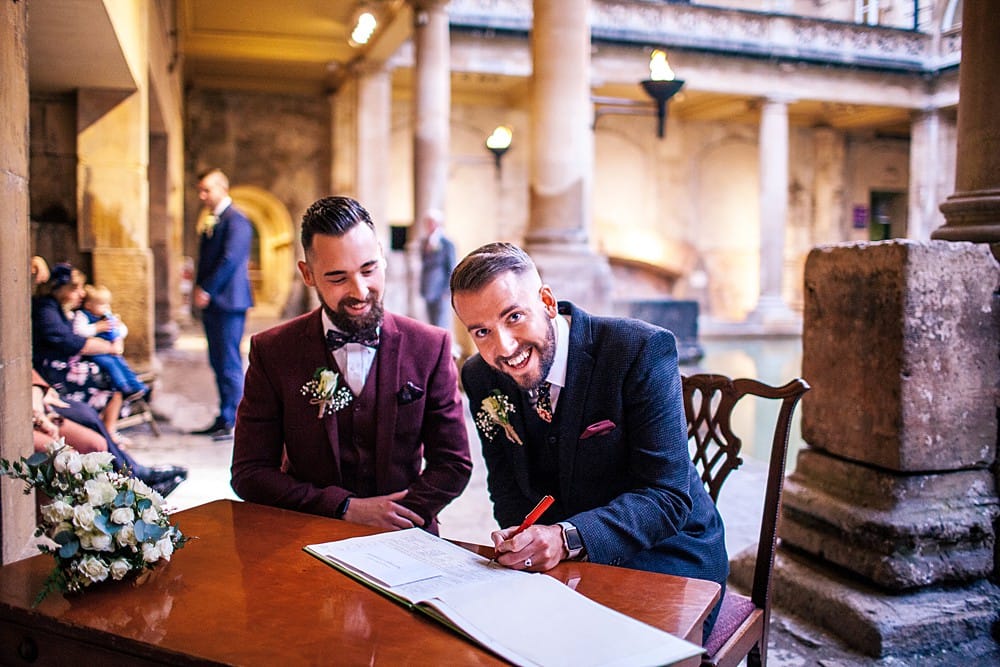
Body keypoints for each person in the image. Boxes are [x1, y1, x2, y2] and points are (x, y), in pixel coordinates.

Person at [450, 242, 728, 638]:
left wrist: (566, 538)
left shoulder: (638, 349)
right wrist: (521, 539)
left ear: (547, 301)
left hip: (667, 555)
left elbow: (667, 497)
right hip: (566, 569)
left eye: (514, 317)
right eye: (482, 332)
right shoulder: (480, 376)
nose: (504, 348)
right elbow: (506, 485)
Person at [230, 196, 472, 534]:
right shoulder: (272, 351)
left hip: (408, 537)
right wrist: (343, 509)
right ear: (308, 274)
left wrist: (398, 515)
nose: (360, 291)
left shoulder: (431, 346)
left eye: (369, 270)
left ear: (383, 260)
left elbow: (453, 464)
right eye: (337, 278)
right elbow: (250, 472)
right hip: (306, 538)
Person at [31, 370, 187, 498]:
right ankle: (129, 484)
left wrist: (38, 400)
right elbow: (67, 340)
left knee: (97, 442)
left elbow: (33, 379)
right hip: (54, 382)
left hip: (41, 405)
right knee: (71, 455)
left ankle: (128, 485)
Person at [191, 168, 254, 440]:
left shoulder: (236, 220)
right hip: (216, 303)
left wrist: (207, 288)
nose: (202, 195)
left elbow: (230, 259)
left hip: (229, 300)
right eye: (200, 190)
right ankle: (225, 414)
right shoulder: (214, 219)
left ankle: (238, 421)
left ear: (222, 188)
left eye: (207, 189)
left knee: (229, 361)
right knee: (217, 360)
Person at [32, 263, 128, 439]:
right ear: (60, 289)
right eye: (75, 288)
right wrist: (109, 347)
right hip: (51, 370)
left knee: (111, 377)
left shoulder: (63, 310)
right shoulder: (46, 308)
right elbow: (70, 342)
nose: (82, 293)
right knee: (108, 381)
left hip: (64, 364)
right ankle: (106, 433)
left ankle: (107, 432)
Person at [72, 284, 149, 398]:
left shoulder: (107, 317)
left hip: (110, 350)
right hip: (95, 352)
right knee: (110, 365)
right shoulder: (82, 316)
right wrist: (97, 327)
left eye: (108, 304)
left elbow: (123, 331)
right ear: (88, 305)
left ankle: (140, 387)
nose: (106, 308)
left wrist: (117, 328)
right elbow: (79, 331)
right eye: (102, 305)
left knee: (123, 365)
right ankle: (123, 387)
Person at [419, 208, 456, 330]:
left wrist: (447, 290)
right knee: (431, 324)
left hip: (441, 291)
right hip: (428, 289)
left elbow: (451, 267)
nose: (429, 225)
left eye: (431, 222)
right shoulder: (424, 242)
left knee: (441, 324)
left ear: (437, 223)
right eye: (427, 222)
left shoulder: (447, 244)